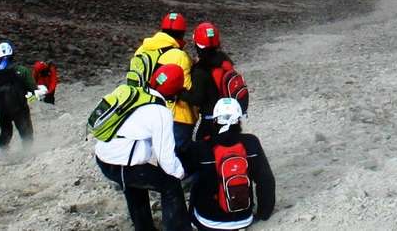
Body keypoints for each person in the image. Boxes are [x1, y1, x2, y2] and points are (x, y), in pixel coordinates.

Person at [95, 62, 191, 231]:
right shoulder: (160, 112)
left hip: (104, 157)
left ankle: (144, 227)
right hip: (121, 164)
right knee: (170, 184)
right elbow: (166, 157)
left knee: (135, 185)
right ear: (175, 91)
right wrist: (180, 173)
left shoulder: (135, 92)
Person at [179, 97, 276, 230]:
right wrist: (264, 213)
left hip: (209, 220)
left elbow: (180, 172)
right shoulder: (251, 142)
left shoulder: (201, 147)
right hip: (244, 218)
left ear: (214, 120)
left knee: (196, 182)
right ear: (239, 120)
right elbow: (266, 180)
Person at [130, 12, 199, 139]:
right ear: (183, 33)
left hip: (144, 110)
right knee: (177, 156)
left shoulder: (142, 50)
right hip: (175, 117)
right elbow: (188, 90)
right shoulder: (179, 56)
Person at [0, 41, 56, 152]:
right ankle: (26, 152)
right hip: (20, 108)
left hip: (3, 110)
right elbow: (33, 89)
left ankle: (3, 153)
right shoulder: (22, 71)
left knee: (5, 131)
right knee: (26, 131)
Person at [188, 21, 250, 139]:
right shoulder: (224, 59)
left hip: (210, 121)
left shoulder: (200, 70)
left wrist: (179, 94)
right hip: (231, 118)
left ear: (196, 44)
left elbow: (197, 99)